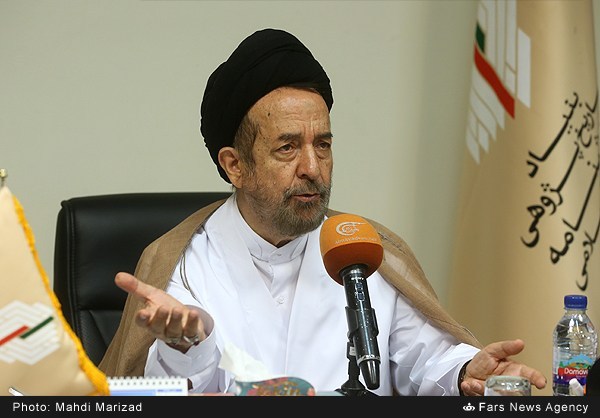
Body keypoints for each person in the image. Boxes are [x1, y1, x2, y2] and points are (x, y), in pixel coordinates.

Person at [99, 28, 547, 396]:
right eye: (288, 147)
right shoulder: (183, 263)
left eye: (323, 144)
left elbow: (427, 357)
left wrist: (466, 371)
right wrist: (186, 345)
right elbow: (160, 393)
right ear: (235, 166)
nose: (313, 168)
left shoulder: (363, 248)